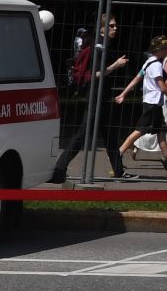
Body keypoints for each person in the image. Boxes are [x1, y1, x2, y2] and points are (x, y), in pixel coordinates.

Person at [48, 15, 133, 181]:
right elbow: (93, 75)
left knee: (110, 134)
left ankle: (119, 171)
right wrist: (115, 65)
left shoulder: (104, 46)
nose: (115, 29)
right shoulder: (97, 48)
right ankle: (59, 168)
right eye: (112, 26)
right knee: (83, 133)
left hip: (103, 95)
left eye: (115, 26)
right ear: (102, 28)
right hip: (95, 96)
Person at [115, 35, 167, 170]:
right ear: (159, 50)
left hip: (151, 103)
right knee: (140, 130)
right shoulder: (156, 66)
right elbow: (162, 87)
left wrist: (123, 94)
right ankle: (118, 153)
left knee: (160, 132)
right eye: (165, 49)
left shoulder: (148, 63)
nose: (166, 51)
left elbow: (137, 79)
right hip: (153, 103)